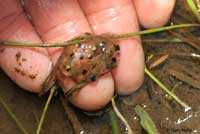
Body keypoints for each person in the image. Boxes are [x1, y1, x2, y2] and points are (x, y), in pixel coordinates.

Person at [0, 0, 176, 110]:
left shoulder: (108, 53)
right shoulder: (69, 61)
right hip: (85, 52)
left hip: (98, 51)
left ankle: (76, 78)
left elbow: (100, 65)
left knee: (87, 73)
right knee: (69, 69)